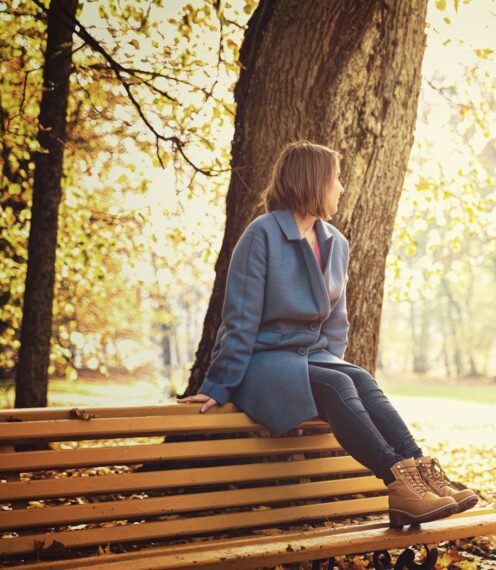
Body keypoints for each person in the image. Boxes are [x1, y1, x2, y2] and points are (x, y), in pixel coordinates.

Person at [178, 140, 477, 528]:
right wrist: (218, 386)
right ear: (313, 182)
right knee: (335, 383)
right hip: (263, 365)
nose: (342, 188)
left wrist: (329, 365)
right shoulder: (261, 235)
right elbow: (240, 318)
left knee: (355, 376)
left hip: (311, 361)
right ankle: (398, 484)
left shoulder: (336, 243)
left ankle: (424, 475)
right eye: (336, 179)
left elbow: (338, 322)